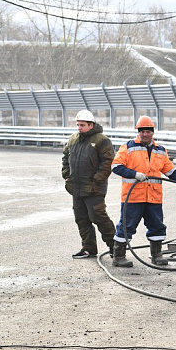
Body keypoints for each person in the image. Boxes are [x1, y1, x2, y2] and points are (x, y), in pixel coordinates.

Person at [110, 116, 176, 268]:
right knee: (126, 226)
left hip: (153, 197)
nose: (145, 134)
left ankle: (156, 255)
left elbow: (172, 173)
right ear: (138, 132)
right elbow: (116, 167)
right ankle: (118, 257)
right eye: (142, 132)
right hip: (133, 197)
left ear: (152, 132)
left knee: (157, 226)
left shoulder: (161, 151)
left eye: (147, 132)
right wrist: (135, 174)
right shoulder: (128, 147)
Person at [62, 110, 117, 259]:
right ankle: (88, 248)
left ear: (91, 125)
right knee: (81, 219)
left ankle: (116, 247)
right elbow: (65, 157)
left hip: (94, 189)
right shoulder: (73, 139)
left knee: (99, 217)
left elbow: (108, 163)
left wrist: (97, 180)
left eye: (82, 125)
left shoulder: (101, 140)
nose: (79, 128)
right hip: (77, 189)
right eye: (78, 125)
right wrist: (66, 175)